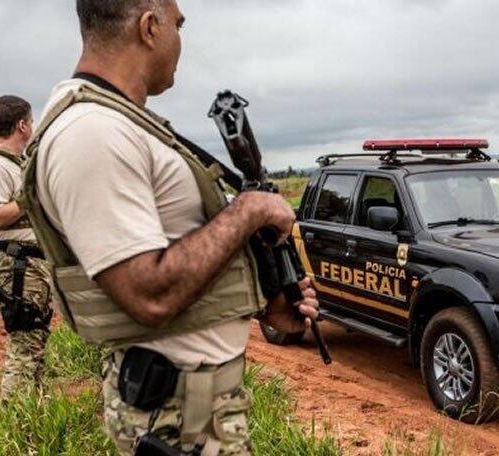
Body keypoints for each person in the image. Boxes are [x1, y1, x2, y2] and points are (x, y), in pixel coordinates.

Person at [20, 1, 319, 454]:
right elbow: (148, 294)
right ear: (149, 26)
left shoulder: (122, 124)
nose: (181, 38)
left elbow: (179, 252)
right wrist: (248, 211)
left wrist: (265, 300)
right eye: (178, 24)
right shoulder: (92, 134)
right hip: (175, 414)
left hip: (197, 403)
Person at [0, 95, 53, 399]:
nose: (32, 126)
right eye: (31, 121)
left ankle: (33, 409)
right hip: (17, 267)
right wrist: (27, 198)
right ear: (22, 125)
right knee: (24, 348)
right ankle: (17, 418)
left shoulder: (16, 164)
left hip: (30, 266)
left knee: (34, 342)